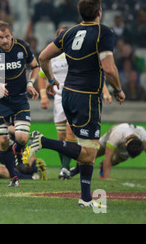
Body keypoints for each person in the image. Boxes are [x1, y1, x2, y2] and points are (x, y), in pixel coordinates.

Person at [25, 0, 125, 208]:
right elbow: (108, 68)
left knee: (86, 149)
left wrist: (51, 80)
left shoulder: (69, 32)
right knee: (89, 152)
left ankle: (86, 198)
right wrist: (118, 89)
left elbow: (42, 57)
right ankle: (42, 141)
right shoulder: (103, 32)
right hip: (87, 97)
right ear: (99, 12)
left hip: (67, 95)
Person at [38, 26, 113, 179]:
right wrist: (44, 95)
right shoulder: (52, 56)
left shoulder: (78, 53)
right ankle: (64, 167)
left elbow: (94, 72)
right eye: (61, 35)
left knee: (70, 133)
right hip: (59, 97)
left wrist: (105, 91)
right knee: (61, 136)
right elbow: (41, 75)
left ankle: (65, 169)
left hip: (76, 95)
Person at [0, 20, 40, 187]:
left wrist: (30, 83)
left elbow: (35, 66)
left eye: (7, 36)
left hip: (20, 98)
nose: (4, 41)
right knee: (3, 141)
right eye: (0, 37)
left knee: (21, 137)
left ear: (12, 34)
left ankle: (19, 152)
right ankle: (14, 178)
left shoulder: (23, 47)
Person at [71, 123, 146, 181]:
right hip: (107, 140)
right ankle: (76, 169)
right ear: (125, 144)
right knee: (89, 155)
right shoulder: (117, 134)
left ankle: (102, 166)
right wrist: (107, 177)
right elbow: (107, 157)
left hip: (127, 142)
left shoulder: (145, 138)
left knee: (117, 159)